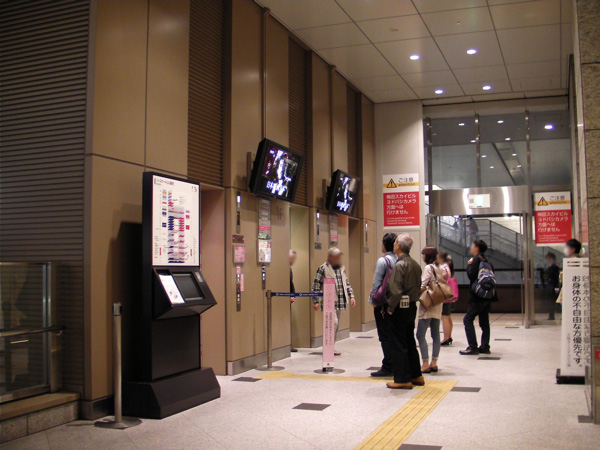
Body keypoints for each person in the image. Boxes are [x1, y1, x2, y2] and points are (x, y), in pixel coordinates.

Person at [385, 234, 424, 390]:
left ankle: (402, 379)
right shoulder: (415, 264)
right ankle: (416, 375)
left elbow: (395, 291)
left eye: (395, 242)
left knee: (398, 343)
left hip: (399, 309)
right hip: (411, 306)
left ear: (398, 246)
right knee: (409, 341)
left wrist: (390, 309)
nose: (394, 244)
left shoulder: (400, 265)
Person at [312, 247, 356, 355]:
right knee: (333, 322)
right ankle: (328, 347)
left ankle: (331, 347)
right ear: (330, 257)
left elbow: (346, 283)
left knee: (336, 325)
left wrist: (351, 296)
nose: (338, 259)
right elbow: (316, 285)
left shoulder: (342, 268)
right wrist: (315, 301)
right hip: (329, 301)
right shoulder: (323, 268)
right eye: (336, 257)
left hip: (339, 300)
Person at [368, 232, 398, 377]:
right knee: (393, 333)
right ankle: (394, 363)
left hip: (383, 303)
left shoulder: (383, 261)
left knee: (384, 334)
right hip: (394, 302)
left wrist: (373, 300)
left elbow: (377, 282)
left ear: (385, 245)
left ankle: (388, 365)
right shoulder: (398, 260)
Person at [460, 239, 496, 355]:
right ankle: (485, 346)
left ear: (476, 248)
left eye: (472, 245)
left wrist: (469, 265)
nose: (471, 247)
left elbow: (471, 276)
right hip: (487, 295)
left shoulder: (476, 260)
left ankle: (473, 347)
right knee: (484, 322)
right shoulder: (487, 261)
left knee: (467, 319)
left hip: (477, 296)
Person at [416, 247, 445, 373]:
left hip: (428, 305)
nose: (422, 256)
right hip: (438, 304)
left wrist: (416, 293)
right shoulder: (440, 267)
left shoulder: (428, 268)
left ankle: (425, 363)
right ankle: (434, 362)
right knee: (435, 334)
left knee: (420, 334)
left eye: (423, 254)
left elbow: (423, 285)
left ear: (427, 255)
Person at [557, 239, 585, 304]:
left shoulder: (574, 261)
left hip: (572, 290)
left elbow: (567, 276)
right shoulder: (579, 259)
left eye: (567, 247)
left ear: (573, 249)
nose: (565, 249)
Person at [438, 252, 455, 346]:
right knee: (448, 316)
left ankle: (446, 338)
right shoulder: (447, 267)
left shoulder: (443, 268)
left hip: (444, 294)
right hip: (448, 294)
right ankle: (449, 336)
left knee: (444, 316)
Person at [544, 252, 560, 320]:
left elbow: (556, 278)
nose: (548, 259)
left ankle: (552, 315)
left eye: (549, 258)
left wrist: (556, 287)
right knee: (551, 301)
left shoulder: (555, 267)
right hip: (550, 286)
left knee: (555, 301)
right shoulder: (549, 266)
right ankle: (551, 315)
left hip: (554, 286)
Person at [289, 250, 298, 352]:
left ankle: (288, 344)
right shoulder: (283, 268)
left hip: (289, 297)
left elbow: (291, 283)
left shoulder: (289, 268)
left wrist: (293, 295)